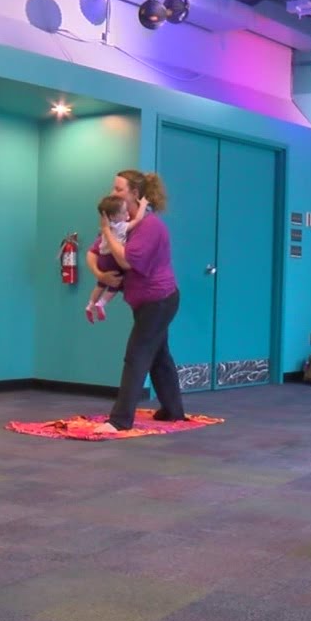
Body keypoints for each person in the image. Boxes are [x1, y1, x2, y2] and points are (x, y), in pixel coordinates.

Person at [89, 170, 186, 434]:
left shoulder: (149, 226)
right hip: (144, 302)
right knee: (159, 356)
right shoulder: (122, 223)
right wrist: (100, 274)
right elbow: (93, 253)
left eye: (118, 189)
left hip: (160, 300)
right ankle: (173, 410)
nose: (113, 193)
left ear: (134, 194)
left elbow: (126, 261)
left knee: (137, 355)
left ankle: (120, 420)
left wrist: (105, 231)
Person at [85, 193, 146, 323]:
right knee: (117, 282)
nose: (127, 215)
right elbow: (139, 219)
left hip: (102, 259)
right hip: (112, 260)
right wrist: (144, 204)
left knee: (100, 284)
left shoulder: (106, 227)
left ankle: (90, 305)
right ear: (113, 217)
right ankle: (101, 304)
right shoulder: (121, 226)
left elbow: (93, 250)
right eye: (124, 213)